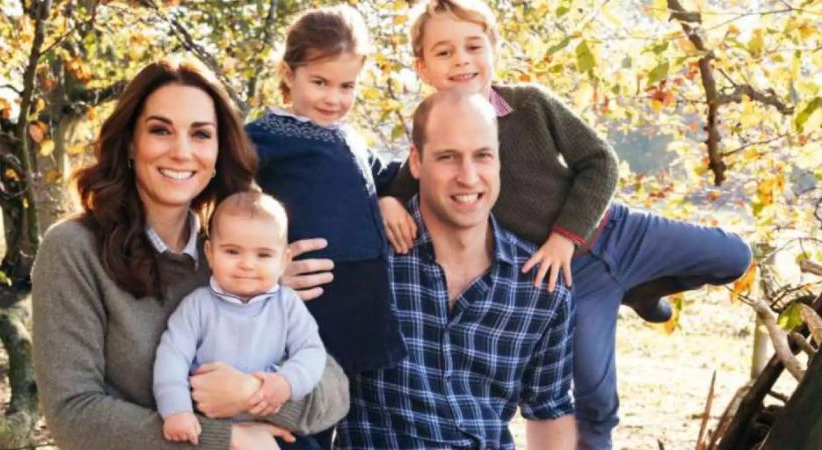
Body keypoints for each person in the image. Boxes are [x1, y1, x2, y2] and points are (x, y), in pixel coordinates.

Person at [378, 1, 753, 448]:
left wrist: (565, 235)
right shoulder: (437, 131)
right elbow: (407, 182)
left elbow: (600, 162)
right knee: (594, 396)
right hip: (573, 278)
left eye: (473, 46)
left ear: (494, 49)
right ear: (422, 67)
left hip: (616, 232)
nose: (461, 59)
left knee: (734, 256)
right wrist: (387, 201)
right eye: (444, 52)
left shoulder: (531, 104)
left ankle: (643, 289)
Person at [32, 56, 349, 450]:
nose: (182, 152)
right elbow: (74, 415)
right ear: (131, 142)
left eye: (201, 134)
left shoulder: (233, 257)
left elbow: (334, 392)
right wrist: (226, 437)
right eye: (161, 130)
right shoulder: (75, 249)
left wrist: (252, 393)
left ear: (218, 150)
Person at [338, 91, 577, 449]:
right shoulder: (366, 262)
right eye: (448, 157)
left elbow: (549, 410)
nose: (468, 177)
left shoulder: (540, 286)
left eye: (482, 156)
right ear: (416, 162)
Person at [245, 5, 407, 447]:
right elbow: (223, 191)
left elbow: (384, 175)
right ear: (288, 73)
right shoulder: (268, 136)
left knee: (335, 417)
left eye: (346, 86)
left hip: (357, 312)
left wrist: (389, 197)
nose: (333, 98)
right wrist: (264, 262)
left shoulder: (350, 137)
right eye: (319, 82)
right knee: (298, 421)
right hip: (311, 309)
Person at [154, 192, 326, 450]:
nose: (247, 264)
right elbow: (171, 358)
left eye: (263, 255)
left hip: (271, 427)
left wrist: (287, 382)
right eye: (233, 251)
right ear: (210, 254)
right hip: (214, 427)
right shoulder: (197, 306)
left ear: (284, 260)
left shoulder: (287, 305)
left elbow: (311, 351)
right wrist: (176, 410)